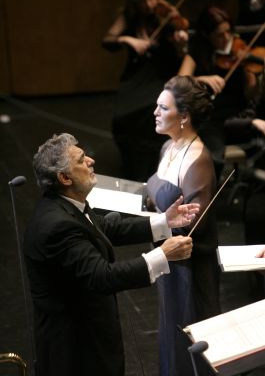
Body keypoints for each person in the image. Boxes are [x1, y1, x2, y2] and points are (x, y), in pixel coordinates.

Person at [22, 132, 199, 376]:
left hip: (88, 337)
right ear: (64, 177)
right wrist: (163, 256)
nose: (91, 161)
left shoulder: (65, 204)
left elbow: (105, 228)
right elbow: (102, 276)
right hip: (76, 352)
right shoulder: (57, 226)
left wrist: (164, 222)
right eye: (81, 160)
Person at [146, 76, 221, 376]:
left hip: (191, 268)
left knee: (188, 338)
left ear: (184, 116)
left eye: (163, 108)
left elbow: (192, 226)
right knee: (170, 331)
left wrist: (154, 210)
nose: (155, 112)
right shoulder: (169, 147)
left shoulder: (198, 161)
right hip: (169, 258)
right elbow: (159, 198)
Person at [102, 0, 189, 181]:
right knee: (122, 116)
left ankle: (155, 164)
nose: (149, 4)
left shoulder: (166, 14)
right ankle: (131, 163)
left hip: (162, 74)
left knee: (151, 110)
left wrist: (181, 40)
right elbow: (107, 40)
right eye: (142, 1)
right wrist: (128, 39)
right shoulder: (129, 16)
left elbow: (183, 48)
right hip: (137, 74)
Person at [177, 6, 263, 179]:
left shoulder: (241, 53)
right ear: (206, 35)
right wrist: (201, 79)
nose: (226, 38)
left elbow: (249, 96)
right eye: (219, 34)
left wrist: (253, 81)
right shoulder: (197, 52)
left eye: (228, 32)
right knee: (213, 157)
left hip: (238, 116)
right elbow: (177, 83)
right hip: (212, 119)